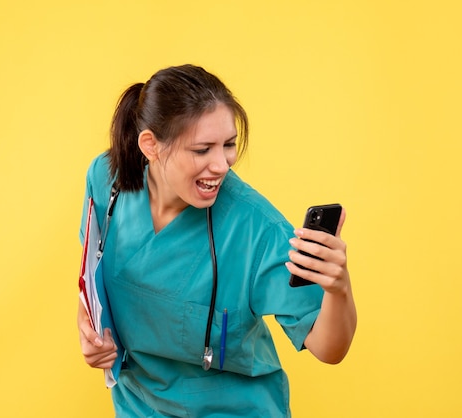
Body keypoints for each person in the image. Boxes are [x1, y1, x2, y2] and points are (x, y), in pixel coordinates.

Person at [77, 64, 357, 417]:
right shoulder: (107, 182)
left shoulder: (257, 228)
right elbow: (93, 281)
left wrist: (338, 289)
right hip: (139, 407)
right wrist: (90, 333)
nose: (222, 165)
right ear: (150, 145)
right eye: (202, 149)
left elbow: (328, 348)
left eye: (228, 145)